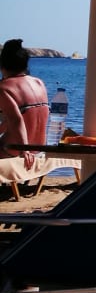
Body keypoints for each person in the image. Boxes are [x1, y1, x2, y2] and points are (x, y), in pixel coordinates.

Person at [0, 37, 49, 189]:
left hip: (15, 150)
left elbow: (16, 120)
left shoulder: (4, 87)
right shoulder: (39, 83)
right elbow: (23, 116)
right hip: (40, 149)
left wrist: (24, 149)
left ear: (3, 65)